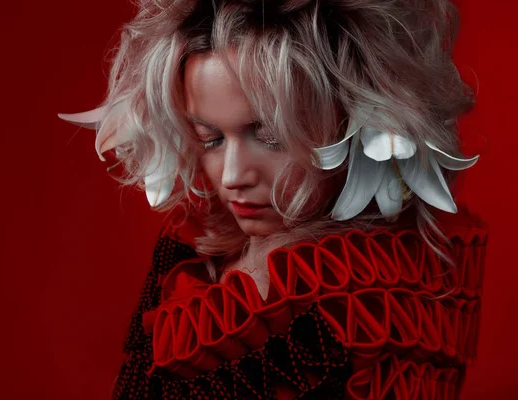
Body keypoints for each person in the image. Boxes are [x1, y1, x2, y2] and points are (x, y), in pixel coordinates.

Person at [59, 0, 488, 398]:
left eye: (270, 137)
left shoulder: (371, 298)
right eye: (210, 139)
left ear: (352, 120)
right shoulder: (189, 253)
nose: (233, 177)